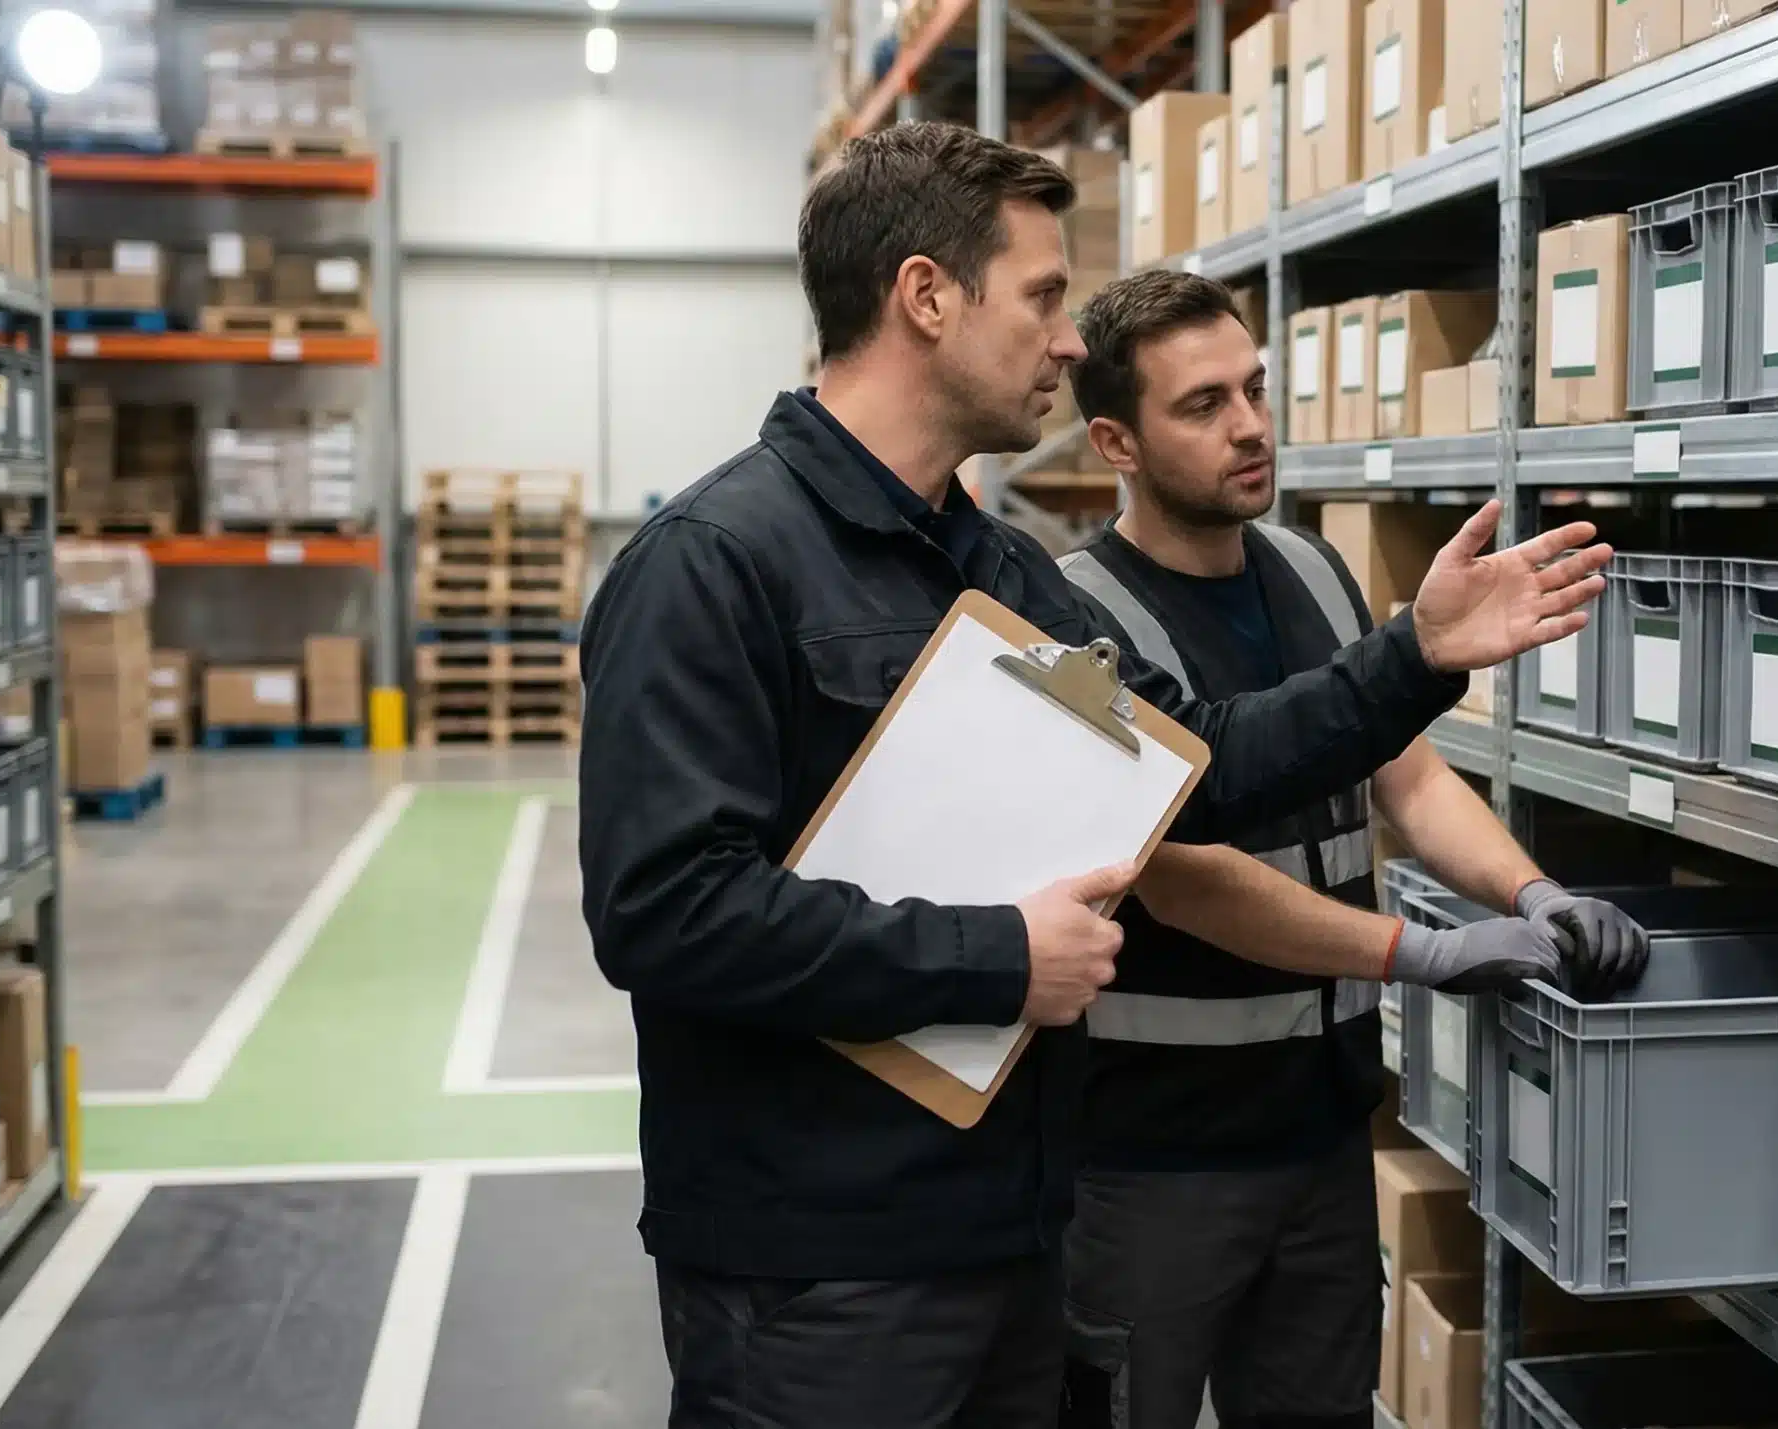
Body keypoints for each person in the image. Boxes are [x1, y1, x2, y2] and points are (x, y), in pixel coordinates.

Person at [576, 121, 1614, 1429]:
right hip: (815, 1270)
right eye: (1047, 298)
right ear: (925, 296)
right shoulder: (714, 565)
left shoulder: (995, 570)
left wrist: (1414, 654)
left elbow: (1202, 771)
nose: (1070, 343)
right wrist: (997, 957)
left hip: (1010, 1239)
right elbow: (666, 910)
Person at [1050, 270, 1652, 1429]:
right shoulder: (1079, 624)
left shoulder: (1312, 569)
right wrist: (1418, 954)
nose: (1251, 427)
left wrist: (1536, 889)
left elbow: (1407, 776)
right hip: (1151, 1162)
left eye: (1256, 389)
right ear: (1116, 439)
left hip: (1320, 1139)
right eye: (1203, 405)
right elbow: (1183, 879)